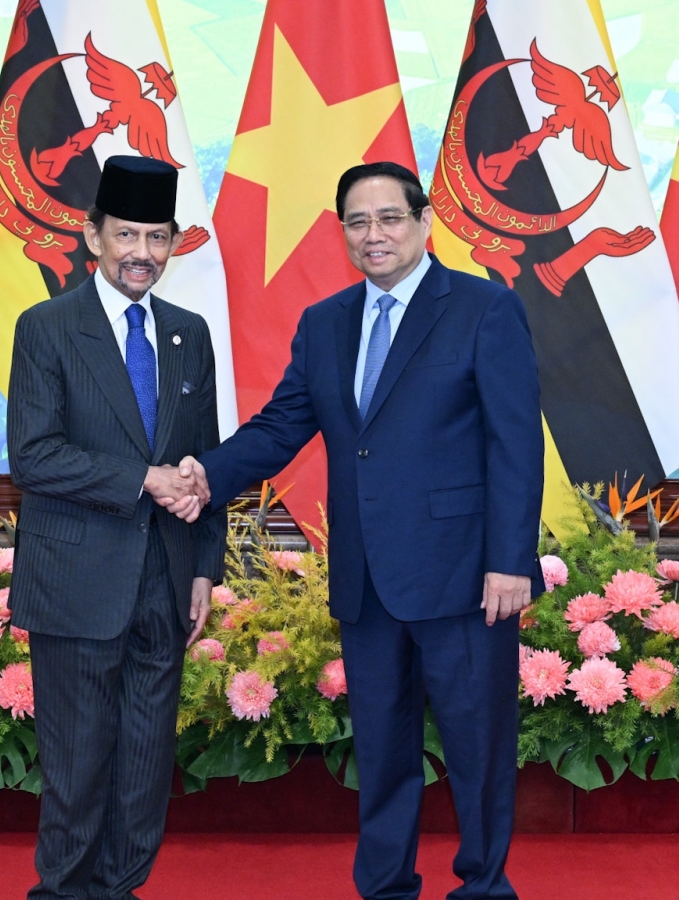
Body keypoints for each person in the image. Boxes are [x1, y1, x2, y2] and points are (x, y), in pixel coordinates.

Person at [166, 161, 542, 900]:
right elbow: (281, 426)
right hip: (366, 578)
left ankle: (484, 887)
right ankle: (386, 886)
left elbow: (516, 444)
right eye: (358, 222)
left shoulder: (484, 308)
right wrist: (206, 474)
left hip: (466, 576)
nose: (374, 235)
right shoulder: (326, 322)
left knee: (479, 750)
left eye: (389, 218)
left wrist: (510, 561)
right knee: (382, 751)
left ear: (424, 221)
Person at [6, 154, 226, 900]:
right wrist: (143, 479)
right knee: (77, 769)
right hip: (76, 582)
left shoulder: (189, 334)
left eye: (157, 237)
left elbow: (203, 462)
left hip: (165, 582)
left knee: (144, 769)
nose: (142, 253)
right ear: (93, 235)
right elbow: (34, 456)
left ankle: (119, 890)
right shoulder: (46, 327)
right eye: (127, 235)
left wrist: (204, 568)